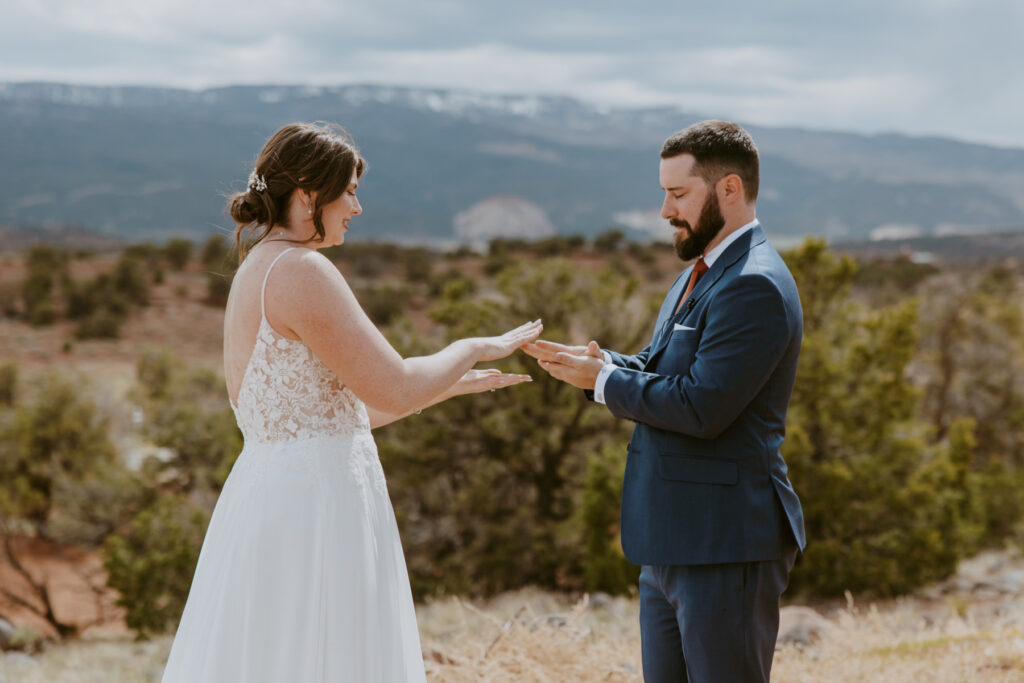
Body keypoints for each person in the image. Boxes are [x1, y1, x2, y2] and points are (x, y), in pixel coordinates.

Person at [160, 122, 542, 683]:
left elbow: (328, 419)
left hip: (275, 498)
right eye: (351, 191)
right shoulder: (301, 270)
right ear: (310, 193)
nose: (358, 208)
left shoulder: (258, 267)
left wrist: (447, 386)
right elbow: (396, 385)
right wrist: (473, 347)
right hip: (316, 511)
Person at [524, 120, 805, 682]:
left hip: (725, 543)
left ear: (729, 189)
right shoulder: (698, 274)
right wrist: (595, 368)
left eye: (678, 194)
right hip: (671, 544)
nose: (664, 211)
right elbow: (660, 367)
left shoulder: (754, 284)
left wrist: (603, 384)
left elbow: (701, 406)